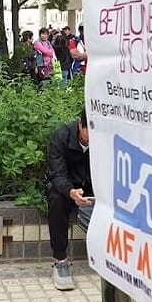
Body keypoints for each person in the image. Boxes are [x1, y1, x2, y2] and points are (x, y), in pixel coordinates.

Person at [46, 109, 92, 291]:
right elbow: (57, 175)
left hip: (91, 187)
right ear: (80, 124)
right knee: (55, 199)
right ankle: (60, 261)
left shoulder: (105, 138)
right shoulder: (61, 136)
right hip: (66, 188)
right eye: (88, 133)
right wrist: (70, 191)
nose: (92, 139)